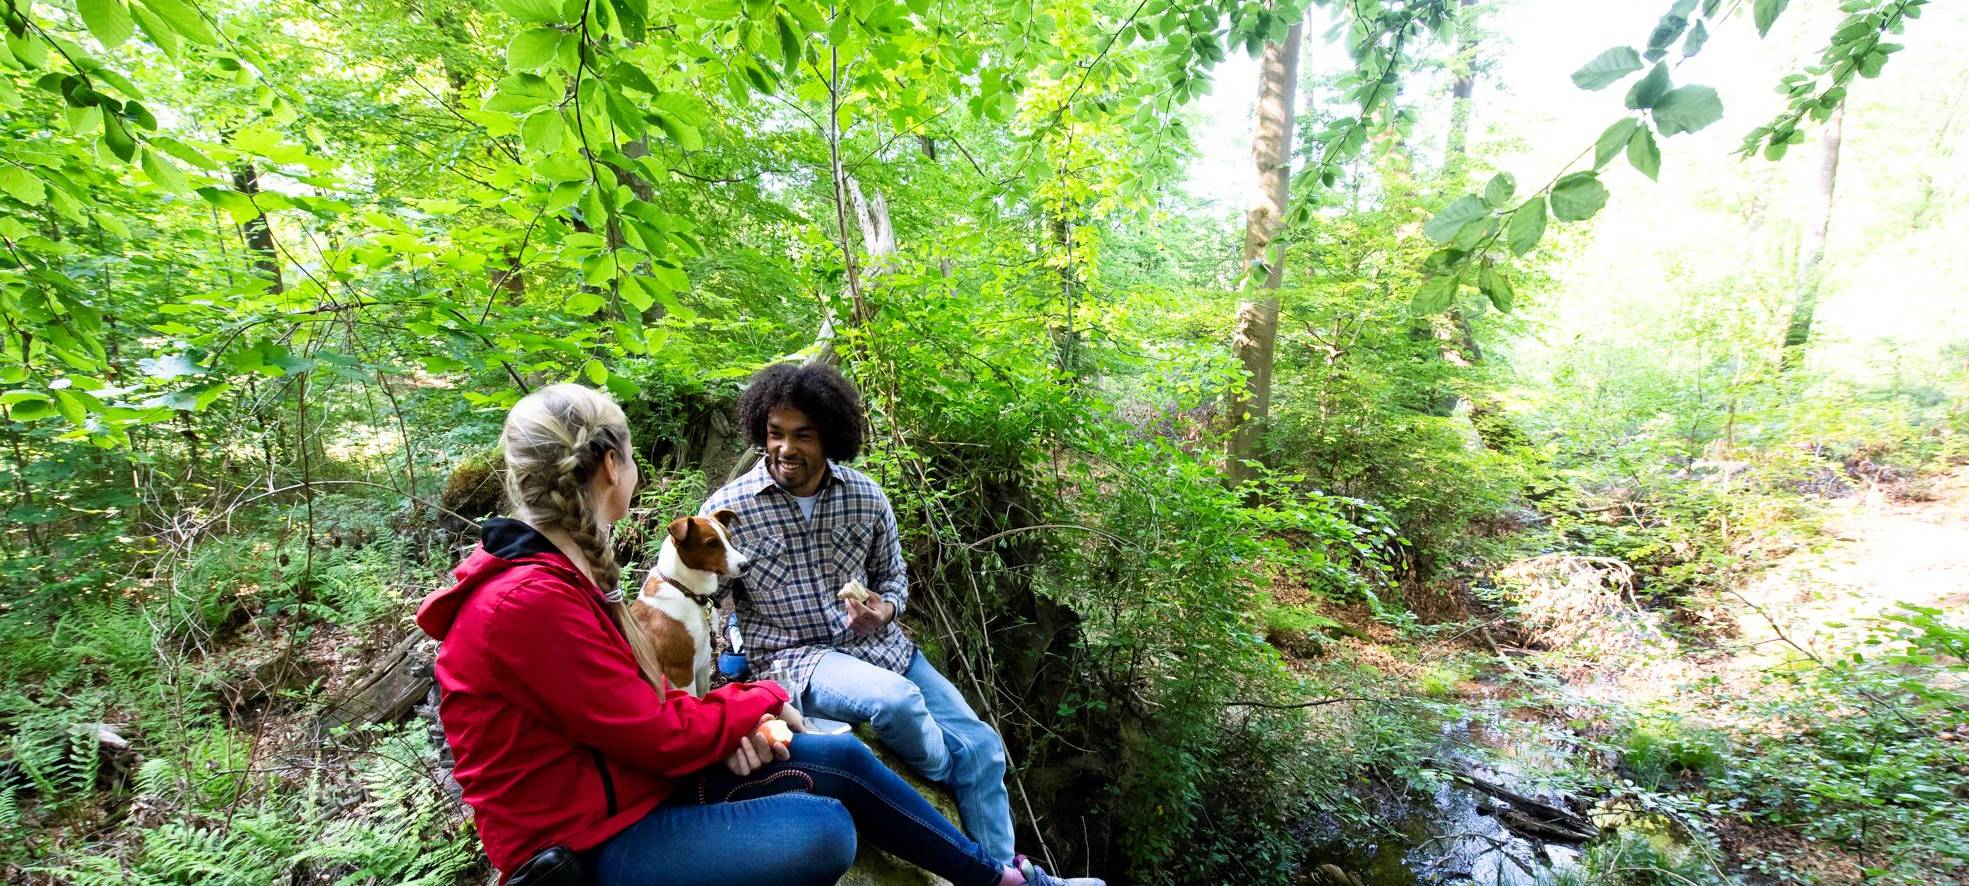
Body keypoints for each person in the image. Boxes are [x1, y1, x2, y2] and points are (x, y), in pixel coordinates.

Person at [416, 383, 1091, 886]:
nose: (784, 446)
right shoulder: (525, 602)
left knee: (844, 760)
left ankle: (1003, 879)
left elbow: (643, 710)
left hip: (635, 789)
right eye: (630, 454)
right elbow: (652, 729)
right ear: (608, 467)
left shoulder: (562, 577)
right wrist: (755, 698)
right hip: (586, 845)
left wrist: (734, 720)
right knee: (825, 830)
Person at [703, 363, 1093, 884]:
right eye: (775, 434)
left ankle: (1005, 874)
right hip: (798, 658)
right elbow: (706, 595)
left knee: (985, 748)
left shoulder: (866, 497)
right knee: (900, 705)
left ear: (831, 436)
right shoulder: (729, 510)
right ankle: (949, 774)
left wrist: (882, 610)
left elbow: (894, 579)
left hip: (883, 647)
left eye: (803, 435)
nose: (785, 449)